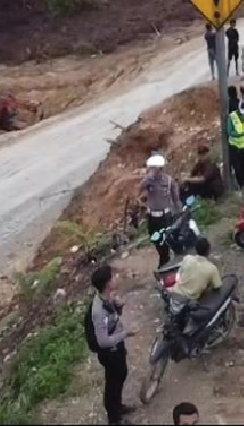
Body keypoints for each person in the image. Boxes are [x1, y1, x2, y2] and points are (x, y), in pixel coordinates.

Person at [89, 264, 137, 425]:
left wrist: (119, 307)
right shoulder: (98, 311)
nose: (116, 278)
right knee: (113, 382)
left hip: (117, 346)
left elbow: (113, 319)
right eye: (113, 277)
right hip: (109, 352)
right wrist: (125, 334)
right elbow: (103, 341)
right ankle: (114, 419)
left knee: (121, 374)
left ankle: (118, 407)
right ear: (107, 284)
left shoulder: (107, 297)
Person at [139, 154, 181, 267]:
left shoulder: (168, 181)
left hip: (164, 216)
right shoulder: (149, 181)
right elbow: (140, 188)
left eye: (155, 168)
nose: (153, 171)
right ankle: (164, 258)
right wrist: (147, 178)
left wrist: (179, 213)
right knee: (155, 240)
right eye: (151, 168)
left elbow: (176, 198)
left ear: (160, 169)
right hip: (152, 217)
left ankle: (165, 262)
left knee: (165, 241)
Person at [227, 99, 244, 191]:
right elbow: (229, 132)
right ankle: (241, 183)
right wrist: (241, 134)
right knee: (238, 166)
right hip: (235, 146)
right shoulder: (232, 117)